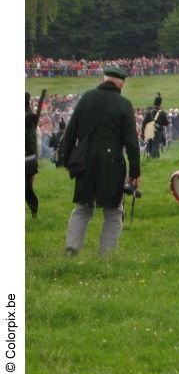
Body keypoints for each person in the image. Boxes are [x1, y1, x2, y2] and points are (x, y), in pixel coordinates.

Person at [57, 66, 141, 256]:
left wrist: (65, 159)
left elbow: (70, 132)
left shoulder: (86, 98)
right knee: (113, 211)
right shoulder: (124, 104)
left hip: (85, 162)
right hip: (112, 165)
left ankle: (72, 248)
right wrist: (135, 173)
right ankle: (106, 255)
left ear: (104, 80)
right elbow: (132, 144)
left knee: (83, 208)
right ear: (120, 83)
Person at [25, 93, 40, 217]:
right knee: (28, 185)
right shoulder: (31, 117)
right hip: (30, 155)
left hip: (27, 155)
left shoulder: (29, 117)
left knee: (27, 186)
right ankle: (33, 207)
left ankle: (33, 207)